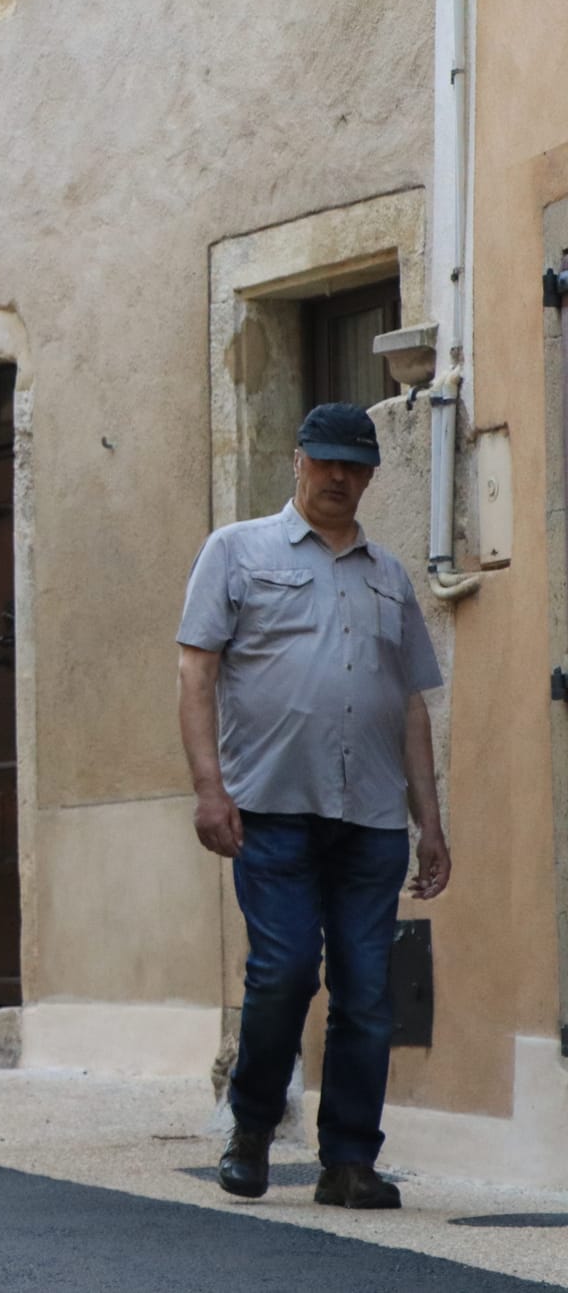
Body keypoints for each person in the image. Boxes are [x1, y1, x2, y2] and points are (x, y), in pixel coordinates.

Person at [178, 403, 452, 1211]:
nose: (338, 476)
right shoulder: (236, 551)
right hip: (271, 808)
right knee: (286, 969)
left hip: (369, 818)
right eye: (325, 461)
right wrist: (207, 788)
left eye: (353, 465)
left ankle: (349, 1162)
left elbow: (407, 705)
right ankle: (254, 1126)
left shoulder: (389, 575)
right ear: (297, 461)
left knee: (367, 992)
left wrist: (429, 821)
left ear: (369, 475)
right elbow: (196, 674)